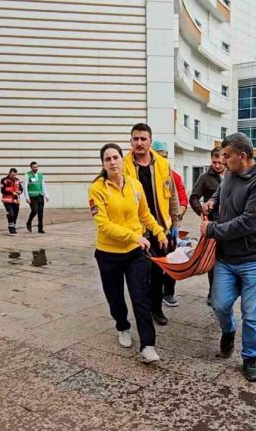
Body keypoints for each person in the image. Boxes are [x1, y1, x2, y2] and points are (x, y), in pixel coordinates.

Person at [199, 132, 256, 382]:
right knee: (220, 304)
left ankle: (250, 357)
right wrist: (211, 202)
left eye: (227, 156)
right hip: (226, 258)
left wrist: (211, 229)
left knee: (251, 314)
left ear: (242, 156)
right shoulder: (230, 173)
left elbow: (248, 223)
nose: (223, 161)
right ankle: (229, 331)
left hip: (254, 259)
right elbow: (221, 192)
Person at [89, 143, 168, 363]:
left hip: (135, 253)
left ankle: (148, 345)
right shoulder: (97, 189)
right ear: (103, 164)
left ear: (123, 159)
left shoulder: (135, 185)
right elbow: (104, 225)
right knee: (115, 297)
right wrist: (135, 236)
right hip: (108, 253)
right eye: (108, 159)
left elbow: (145, 214)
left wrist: (159, 232)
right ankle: (122, 326)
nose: (113, 162)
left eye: (116, 157)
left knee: (140, 296)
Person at [123, 123, 180, 326]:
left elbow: (172, 195)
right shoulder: (123, 166)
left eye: (143, 139)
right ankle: (143, 311)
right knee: (141, 273)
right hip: (137, 231)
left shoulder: (162, 164)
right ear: (131, 141)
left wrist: (175, 222)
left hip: (161, 229)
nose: (139, 143)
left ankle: (156, 308)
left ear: (150, 141)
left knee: (158, 272)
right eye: (135, 139)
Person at [152, 140, 187, 308]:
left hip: (169, 229)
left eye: (164, 157)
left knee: (172, 261)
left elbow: (182, 199)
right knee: (154, 267)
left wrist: (176, 220)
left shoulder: (174, 176)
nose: (162, 160)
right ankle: (154, 299)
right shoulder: (146, 176)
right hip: (150, 229)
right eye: (159, 156)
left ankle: (169, 293)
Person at [189, 147, 225, 306]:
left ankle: (224, 291)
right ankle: (212, 292)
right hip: (212, 225)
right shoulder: (205, 178)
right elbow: (194, 198)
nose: (217, 165)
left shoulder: (232, 175)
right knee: (213, 260)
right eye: (214, 162)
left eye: (220, 162)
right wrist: (202, 214)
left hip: (230, 224)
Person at [24, 161, 49, 234]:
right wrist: (27, 197)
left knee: (41, 212)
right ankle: (29, 222)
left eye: (36, 167)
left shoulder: (40, 175)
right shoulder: (27, 175)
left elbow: (43, 185)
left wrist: (46, 195)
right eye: (34, 167)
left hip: (40, 195)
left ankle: (40, 228)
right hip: (32, 196)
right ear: (31, 167)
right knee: (34, 210)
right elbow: (25, 186)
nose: (35, 168)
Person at [0, 168, 23, 236]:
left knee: (15, 214)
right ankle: (10, 227)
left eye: (15, 175)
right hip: (7, 200)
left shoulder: (17, 180)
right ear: (9, 173)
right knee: (11, 214)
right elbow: (2, 190)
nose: (14, 176)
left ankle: (13, 226)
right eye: (12, 175)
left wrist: (19, 192)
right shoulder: (4, 180)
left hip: (16, 201)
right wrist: (12, 192)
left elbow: (21, 189)